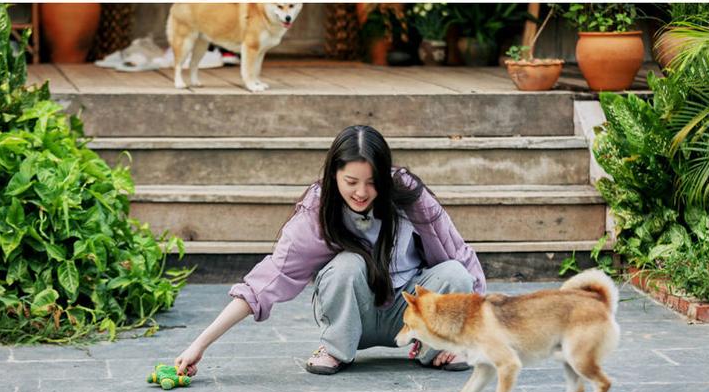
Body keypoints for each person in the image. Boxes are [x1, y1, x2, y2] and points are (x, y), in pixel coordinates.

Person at [175, 125, 487, 377]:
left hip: (410, 316)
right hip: (354, 317)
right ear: (333, 174)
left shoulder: (408, 195)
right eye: (351, 181)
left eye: (372, 182)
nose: (361, 192)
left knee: (456, 274)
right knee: (348, 265)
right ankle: (335, 350)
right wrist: (200, 344)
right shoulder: (318, 209)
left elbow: (457, 254)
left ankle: (437, 346)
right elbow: (268, 279)